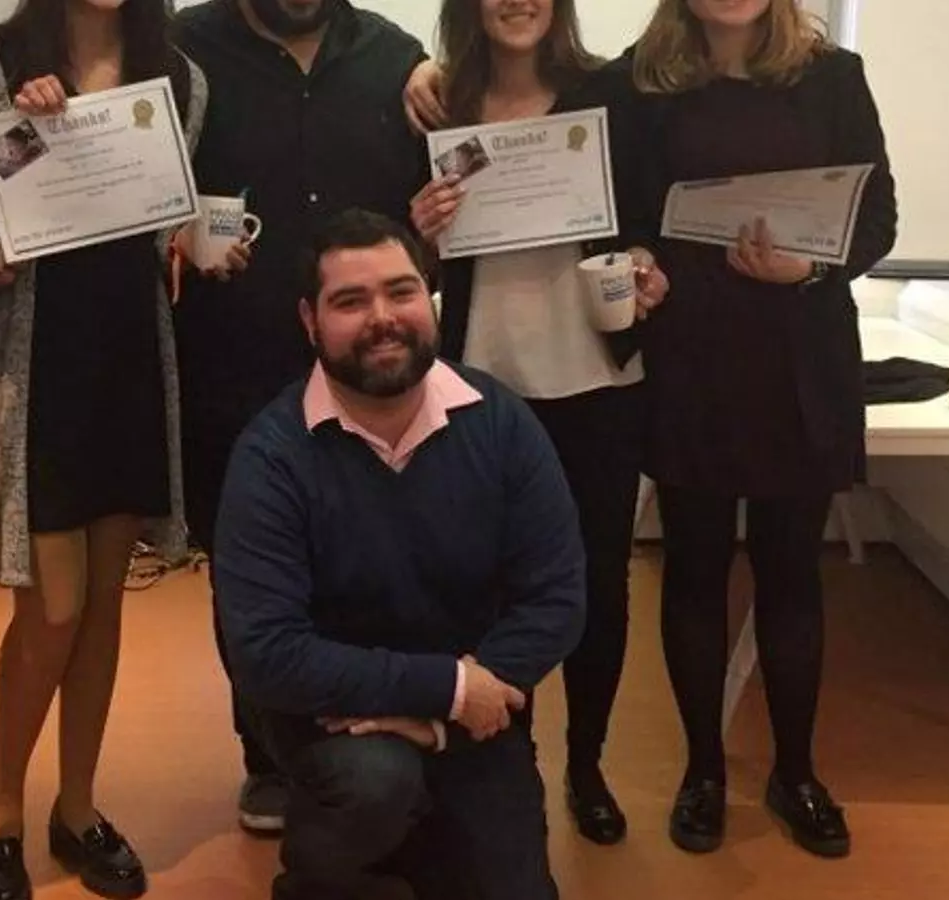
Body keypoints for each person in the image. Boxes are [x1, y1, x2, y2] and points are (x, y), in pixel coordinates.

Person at [212, 209, 585, 900]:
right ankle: (322, 879)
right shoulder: (271, 457)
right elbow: (265, 652)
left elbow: (556, 598)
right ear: (310, 321)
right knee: (374, 783)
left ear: (429, 296)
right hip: (333, 719)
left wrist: (447, 713)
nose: (382, 317)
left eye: (401, 291)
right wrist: (446, 687)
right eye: (350, 301)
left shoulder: (501, 421)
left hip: (476, 716)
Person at [611, 0, 898, 859]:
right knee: (694, 568)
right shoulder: (641, 80)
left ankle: (796, 773)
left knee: (791, 573)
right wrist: (639, 260)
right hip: (691, 351)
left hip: (799, 355)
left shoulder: (833, 77)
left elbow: (876, 219)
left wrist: (809, 266)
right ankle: (703, 771)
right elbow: (623, 212)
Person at [0, 1, 213, 898]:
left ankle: (78, 807)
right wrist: (27, 135)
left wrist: (196, 242)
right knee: (52, 610)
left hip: (128, 361)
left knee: (102, 606)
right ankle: (0, 804)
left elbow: (164, 223)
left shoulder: (180, 78)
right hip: (35, 369)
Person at [170, 0, 438, 833]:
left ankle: (376, 739)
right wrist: (172, 232)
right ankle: (271, 759)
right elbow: (130, 189)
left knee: (371, 561)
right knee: (247, 580)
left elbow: (439, 201)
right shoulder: (183, 51)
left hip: (370, 377)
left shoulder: (396, 59)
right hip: (230, 370)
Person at [407, 0, 670, 846]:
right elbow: (412, 263)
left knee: (596, 584)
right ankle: (499, 760)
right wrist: (423, 234)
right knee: (481, 585)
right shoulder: (441, 105)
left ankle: (586, 766)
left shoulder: (613, 96)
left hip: (598, 380)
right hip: (480, 384)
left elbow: (649, 220)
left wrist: (647, 264)